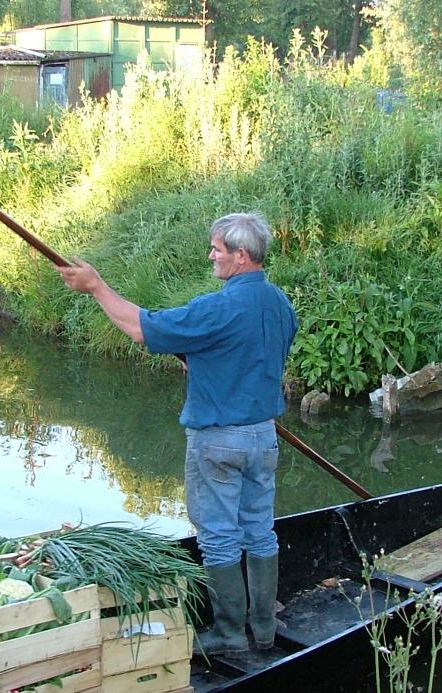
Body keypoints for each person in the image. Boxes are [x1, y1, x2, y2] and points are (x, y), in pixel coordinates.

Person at [56, 213, 298, 656]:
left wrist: (97, 288)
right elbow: (253, 355)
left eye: (218, 250)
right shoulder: (280, 303)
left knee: (220, 536)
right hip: (263, 438)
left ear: (241, 256)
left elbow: (141, 328)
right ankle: (263, 629)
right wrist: (201, 359)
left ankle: (229, 633)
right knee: (260, 531)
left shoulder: (219, 307)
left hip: (218, 440)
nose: (211, 256)